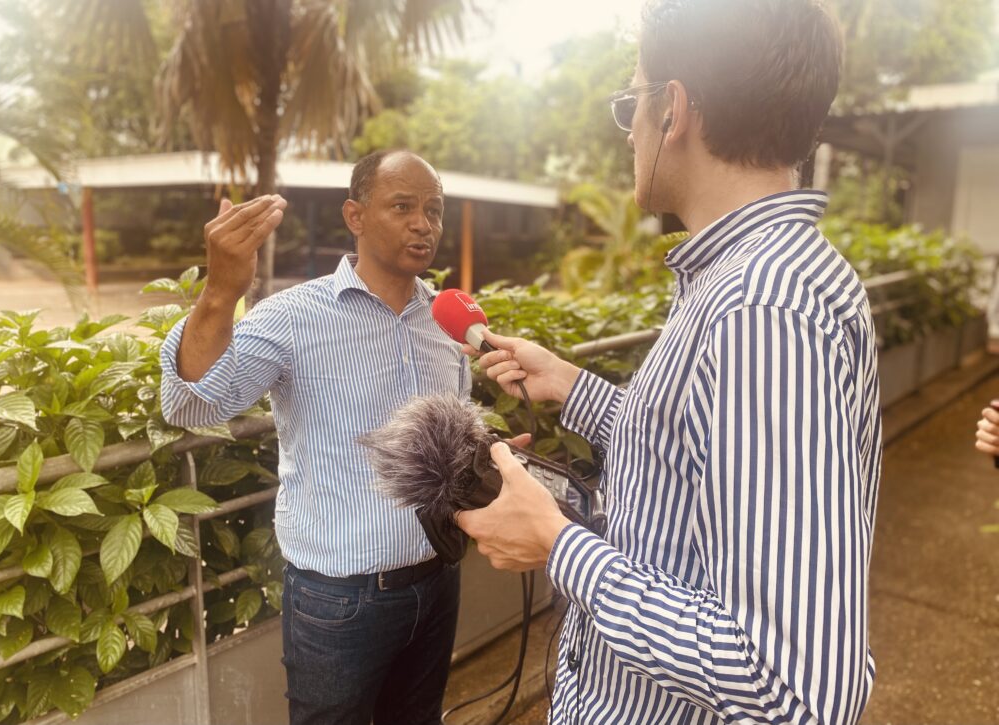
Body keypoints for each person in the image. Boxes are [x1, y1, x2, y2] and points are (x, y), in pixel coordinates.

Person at [456, 1, 882, 722]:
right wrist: (574, 385)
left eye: (634, 104)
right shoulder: (745, 279)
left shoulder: (765, 307)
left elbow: (795, 686)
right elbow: (700, 454)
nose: (630, 134)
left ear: (674, 110)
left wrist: (559, 543)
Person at [160, 150, 469, 725]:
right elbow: (190, 403)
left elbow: (451, 434)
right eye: (402, 206)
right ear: (354, 215)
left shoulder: (446, 319)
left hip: (438, 576)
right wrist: (222, 291)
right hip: (340, 600)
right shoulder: (293, 317)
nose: (423, 224)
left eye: (434, 209)